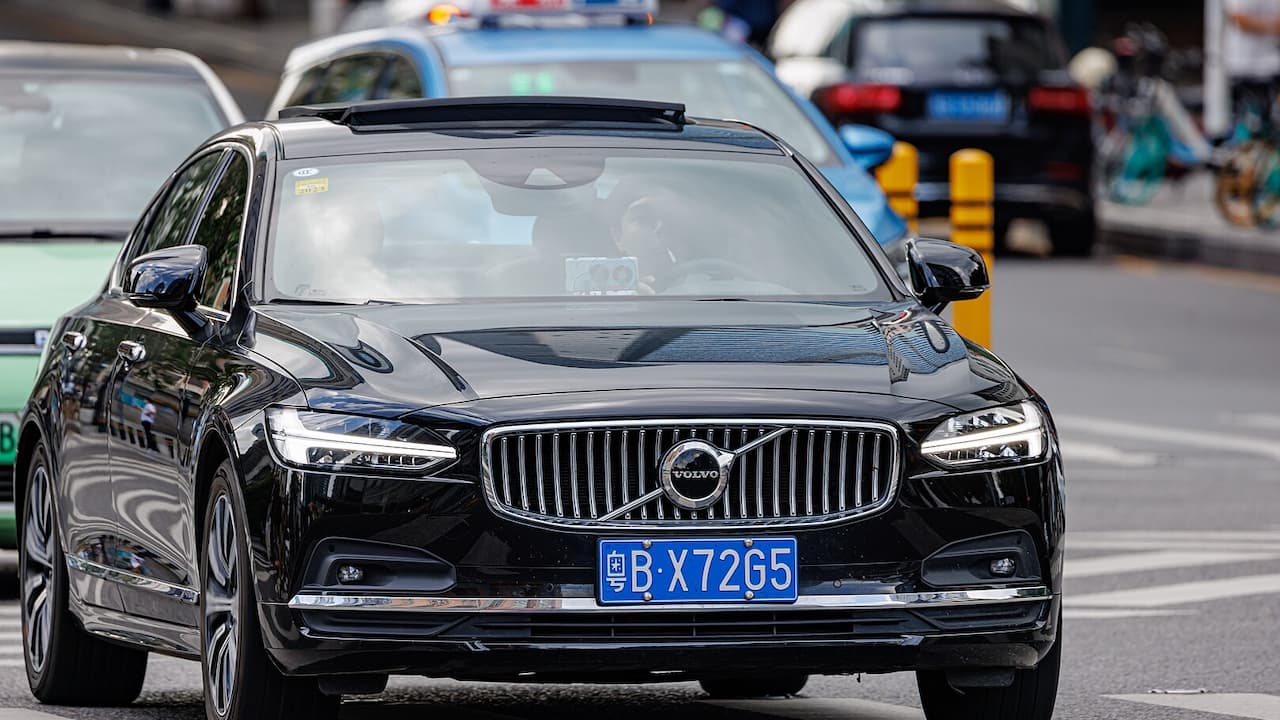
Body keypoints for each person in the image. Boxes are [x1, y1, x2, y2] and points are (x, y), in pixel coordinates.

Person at [1223, 0, 1280, 136]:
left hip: (1270, 65)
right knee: (1244, 121)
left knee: (1270, 121)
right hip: (1242, 65)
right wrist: (1270, 26)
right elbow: (1239, 19)